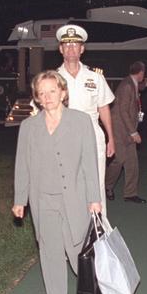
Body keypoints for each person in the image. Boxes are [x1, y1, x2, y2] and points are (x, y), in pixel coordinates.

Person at [13, 70, 102, 294]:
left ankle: (94, 282)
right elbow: (22, 165)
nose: (47, 97)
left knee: (76, 248)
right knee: (49, 250)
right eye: (42, 93)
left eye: (52, 91)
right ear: (37, 98)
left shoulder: (81, 121)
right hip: (43, 199)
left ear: (63, 92)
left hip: (74, 196)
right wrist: (20, 199)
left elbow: (89, 163)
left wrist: (94, 198)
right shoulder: (29, 127)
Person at [55, 25, 116, 215]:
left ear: (82, 49)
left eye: (75, 45)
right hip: (63, 137)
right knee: (67, 182)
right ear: (60, 49)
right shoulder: (53, 78)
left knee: (96, 182)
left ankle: (99, 226)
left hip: (92, 136)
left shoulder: (95, 77)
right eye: (67, 45)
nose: (71, 48)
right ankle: (71, 224)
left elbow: (103, 107)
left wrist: (111, 138)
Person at [105, 60, 147, 203]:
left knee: (132, 163)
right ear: (141, 72)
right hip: (119, 130)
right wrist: (133, 132)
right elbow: (123, 111)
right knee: (119, 160)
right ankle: (106, 186)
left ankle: (130, 193)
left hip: (127, 130)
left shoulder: (132, 83)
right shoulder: (127, 85)